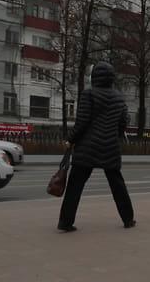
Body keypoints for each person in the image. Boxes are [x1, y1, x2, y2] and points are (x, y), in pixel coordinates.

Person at [58, 63, 135, 231]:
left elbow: (82, 122)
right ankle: (128, 219)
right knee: (117, 185)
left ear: (95, 77)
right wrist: (115, 136)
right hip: (110, 147)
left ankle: (65, 222)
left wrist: (70, 140)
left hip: (88, 148)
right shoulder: (118, 97)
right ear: (111, 78)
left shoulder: (89, 94)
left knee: (75, 186)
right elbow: (123, 121)